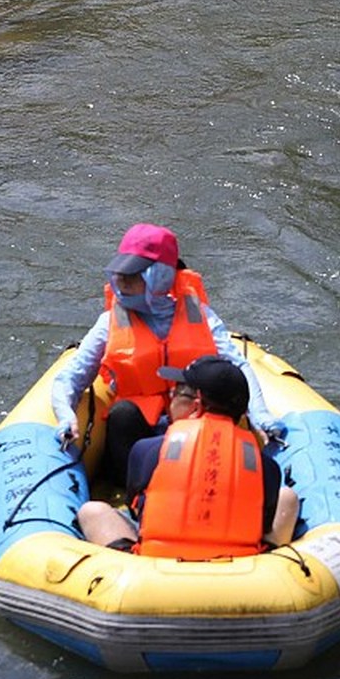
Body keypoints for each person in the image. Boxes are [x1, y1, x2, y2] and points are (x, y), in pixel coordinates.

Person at [48, 223, 241, 489]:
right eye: (121, 273)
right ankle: (133, 494)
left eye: (134, 274)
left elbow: (237, 371)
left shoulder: (202, 317)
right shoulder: (109, 322)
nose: (122, 282)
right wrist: (65, 415)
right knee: (122, 414)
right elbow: (69, 378)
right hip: (136, 434)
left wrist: (262, 416)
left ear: (160, 276)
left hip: (194, 424)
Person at [77, 356, 299, 557]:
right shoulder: (266, 466)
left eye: (178, 391)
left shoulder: (147, 450)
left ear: (197, 404)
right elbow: (265, 522)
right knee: (287, 497)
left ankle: (127, 565)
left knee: (92, 511)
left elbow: (137, 508)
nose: (170, 398)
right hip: (239, 564)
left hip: (157, 562)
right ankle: (272, 562)